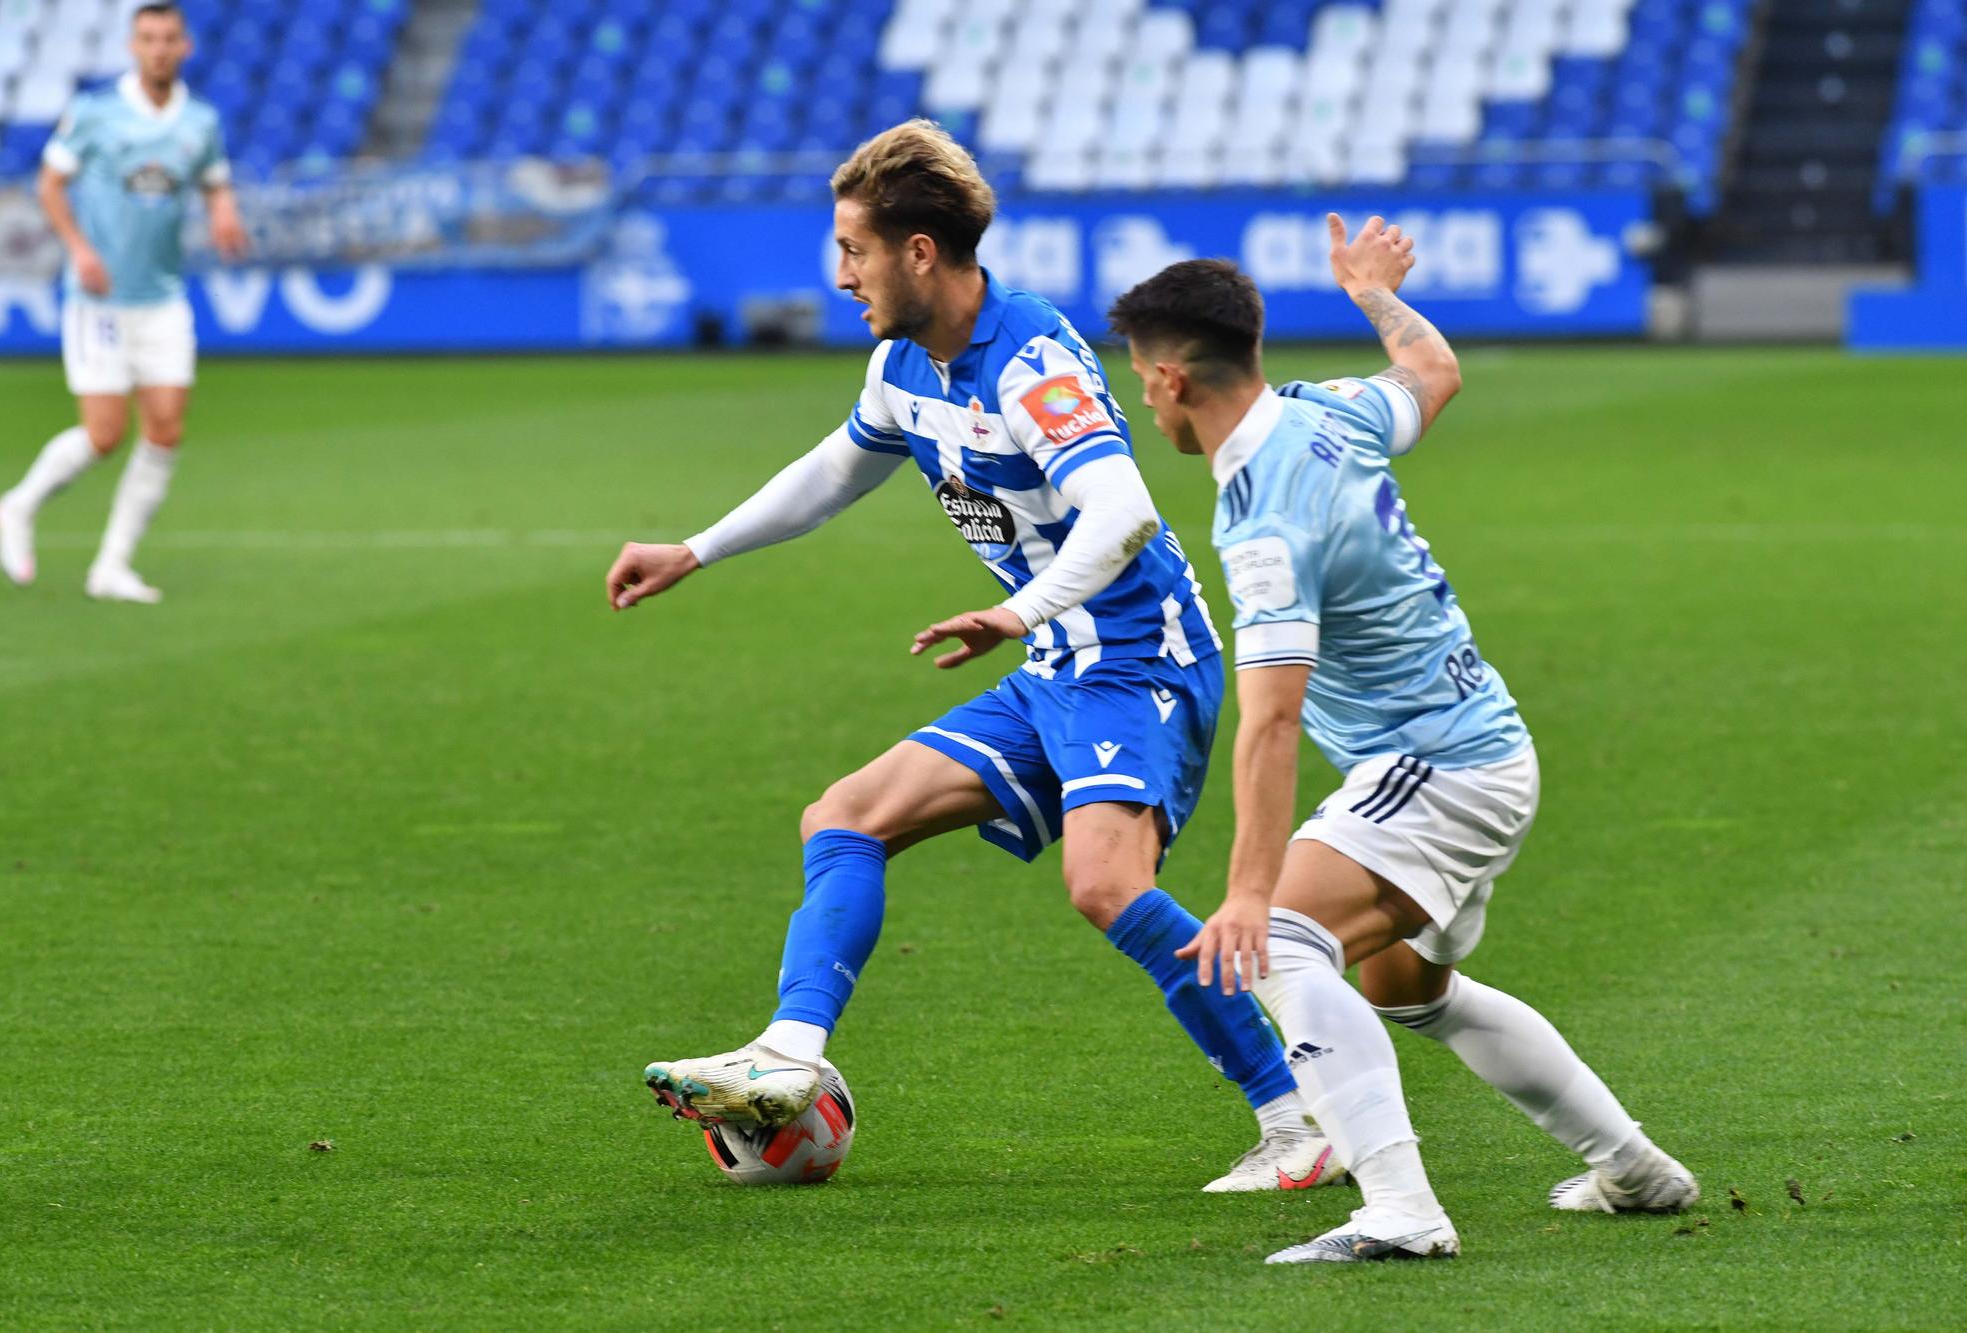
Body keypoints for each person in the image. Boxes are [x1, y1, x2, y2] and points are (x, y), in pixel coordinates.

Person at [610, 121, 1328, 1192]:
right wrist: (696, 549)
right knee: (845, 815)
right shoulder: (902, 364)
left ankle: (1300, 1112)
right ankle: (790, 1055)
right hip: (1054, 661)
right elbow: (834, 471)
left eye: (853, 249)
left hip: (1137, 658)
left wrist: (1017, 609)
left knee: (1103, 885)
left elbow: (1121, 510)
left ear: (918, 254)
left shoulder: (1029, 359)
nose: (839, 272)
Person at [1106, 219, 1698, 1263]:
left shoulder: (1261, 524)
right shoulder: (1327, 410)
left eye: (1136, 381)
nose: (1138, 400)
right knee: (1407, 990)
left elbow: (1272, 717)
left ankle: (1399, 1209)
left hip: (1433, 769)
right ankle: (1634, 1169)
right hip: (1482, 745)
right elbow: (1429, 369)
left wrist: (1248, 891)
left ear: (1166, 378)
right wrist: (1374, 297)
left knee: (1281, 943)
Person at [0, 1, 246, 603]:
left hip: (163, 298)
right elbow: (50, 184)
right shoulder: (96, 111)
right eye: (148, 39)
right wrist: (78, 248)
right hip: (99, 301)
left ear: (184, 47)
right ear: (133, 47)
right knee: (105, 435)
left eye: (168, 39)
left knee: (165, 430)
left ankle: (111, 568)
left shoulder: (200, 122)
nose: (158, 48)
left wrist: (224, 210)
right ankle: (18, 506)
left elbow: (213, 178)